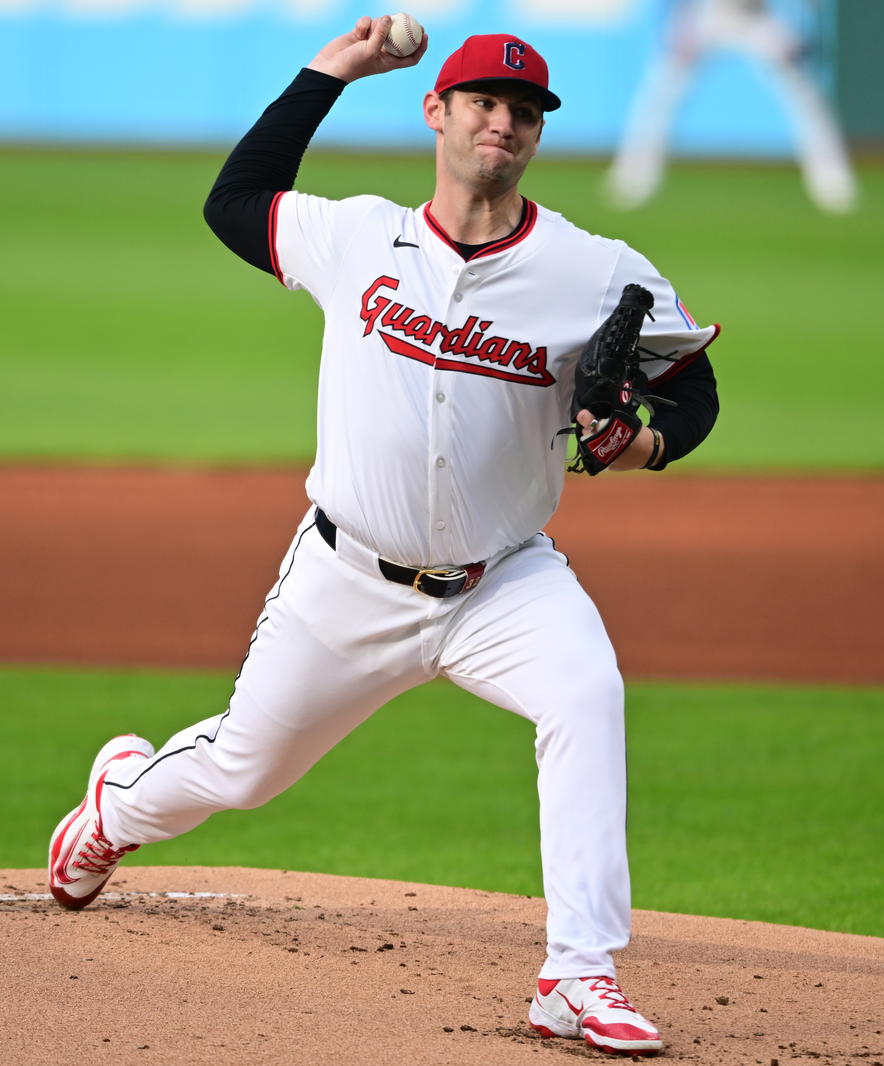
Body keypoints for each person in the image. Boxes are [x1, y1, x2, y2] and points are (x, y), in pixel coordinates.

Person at [48, 16, 721, 1057]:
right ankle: (115, 805)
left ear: (538, 134)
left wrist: (639, 444)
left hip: (505, 582)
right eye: (485, 102)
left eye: (524, 110)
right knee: (241, 769)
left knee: (586, 693)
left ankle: (576, 975)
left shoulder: (594, 269)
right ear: (437, 113)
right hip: (346, 578)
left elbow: (693, 389)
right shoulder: (354, 235)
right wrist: (333, 69)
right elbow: (233, 203)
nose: (504, 122)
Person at [606, 0, 858, 214]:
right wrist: (681, 21)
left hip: (756, 17)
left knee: (805, 97)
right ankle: (633, 179)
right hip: (706, 14)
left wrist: (799, 23)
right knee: (662, 94)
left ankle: (832, 182)